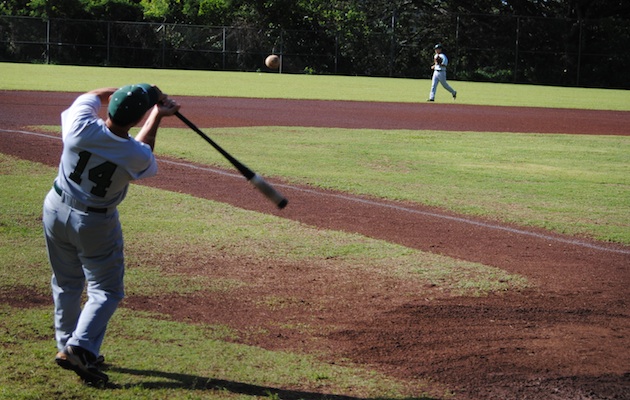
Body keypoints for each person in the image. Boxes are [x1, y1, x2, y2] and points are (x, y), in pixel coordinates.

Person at [42, 84, 180, 385]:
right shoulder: (135, 154)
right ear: (136, 118)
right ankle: (80, 347)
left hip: (55, 207)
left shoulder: (81, 124)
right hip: (94, 223)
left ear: (111, 108)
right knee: (106, 289)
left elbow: (95, 94)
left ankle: (66, 343)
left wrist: (140, 91)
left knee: (66, 283)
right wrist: (156, 113)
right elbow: (141, 151)